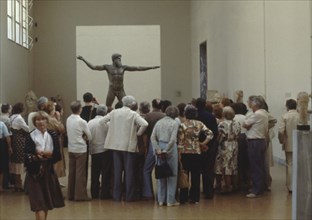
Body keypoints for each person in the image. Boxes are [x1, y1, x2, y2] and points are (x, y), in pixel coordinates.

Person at [99, 95, 148, 202]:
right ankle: (129, 196)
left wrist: (111, 129)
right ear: (131, 104)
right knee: (129, 172)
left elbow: (101, 121)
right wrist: (137, 134)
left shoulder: (114, 112)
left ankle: (116, 196)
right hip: (128, 146)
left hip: (115, 145)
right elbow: (145, 124)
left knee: (117, 172)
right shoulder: (133, 114)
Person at [77, 54, 160, 109]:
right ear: (114, 60)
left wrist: (151, 67)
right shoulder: (108, 67)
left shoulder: (123, 67)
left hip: (120, 90)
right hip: (112, 89)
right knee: (108, 107)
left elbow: (138, 68)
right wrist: (83, 59)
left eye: (120, 59)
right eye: (119, 59)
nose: (120, 60)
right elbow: (93, 67)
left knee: (127, 106)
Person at [24, 111, 64, 220]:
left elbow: (58, 156)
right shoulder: (30, 136)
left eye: (43, 119)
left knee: (45, 203)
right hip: (34, 173)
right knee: (38, 204)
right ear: (34, 122)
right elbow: (26, 157)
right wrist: (36, 157)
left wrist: (48, 154)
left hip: (48, 171)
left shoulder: (52, 135)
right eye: (38, 119)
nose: (40, 122)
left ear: (47, 121)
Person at [178, 105, 214, 204]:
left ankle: (183, 197)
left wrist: (179, 154)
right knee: (196, 175)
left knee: (185, 175)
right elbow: (210, 134)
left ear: (185, 114)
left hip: (185, 152)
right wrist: (203, 143)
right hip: (197, 152)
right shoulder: (199, 124)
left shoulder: (182, 125)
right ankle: (195, 198)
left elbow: (180, 141)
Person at [151, 106, 180, 207]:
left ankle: (160, 199)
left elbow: (152, 137)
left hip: (159, 146)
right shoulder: (174, 123)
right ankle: (170, 200)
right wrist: (166, 150)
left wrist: (158, 149)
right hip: (170, 148)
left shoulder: (159, 122)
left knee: (161, 173)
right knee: (172, 173)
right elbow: (173, 139)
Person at [243, 96, 268, 198]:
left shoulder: (257, 114)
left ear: (255, 104)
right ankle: (259, 187)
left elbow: (245, 124)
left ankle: (256, 190)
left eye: (251, 103)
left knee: (255, 166)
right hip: (261, 140)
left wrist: (248, 124)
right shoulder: (265, 113)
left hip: (254, 142)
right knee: (259, 165)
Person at [66, 100, 92, 201]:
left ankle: (71, 194)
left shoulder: (68, 119)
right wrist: (84, 137)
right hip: (80, 149)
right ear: (80, 109)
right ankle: (80, 195)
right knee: (80, 173)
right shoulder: (82, 121)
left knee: (72, 172)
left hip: (71, 148)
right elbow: (89, 136)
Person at [87, 105, 112, 199]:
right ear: (105, 113)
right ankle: (105, 194)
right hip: (105, 150)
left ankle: (94, 193)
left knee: (95, 172)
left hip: (94, 150)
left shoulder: (90, 122)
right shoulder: (107, 123)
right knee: (105, 172)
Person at [195, 98, 218, 199]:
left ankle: (194, 192)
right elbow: (215, 132)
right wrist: (208, 144)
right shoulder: (211, 116)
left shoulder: (193, 116)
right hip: (208, 145)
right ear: (205, 105)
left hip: (195, 146)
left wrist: (198, 144)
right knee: (208, 169)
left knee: (195, 169)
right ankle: (208, 191)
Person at [142, 98, 164, 200]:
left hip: (151, 143)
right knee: (163, 169)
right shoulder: (164, 116)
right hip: (163, 143)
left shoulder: (148, 116)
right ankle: (162, 193)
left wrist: (145, 147)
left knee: (146, 170)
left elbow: (145, 134)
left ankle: (148, 193)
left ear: (152, 105)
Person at [214, 106, 241, 193]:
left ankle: (227, 186)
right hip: (235, 144)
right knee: (233, 165)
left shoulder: (222, 124)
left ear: (224, 114)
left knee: (225, 166)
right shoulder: (237, 123)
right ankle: (235, 185)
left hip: (225, 145)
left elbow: (220, 136)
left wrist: (217, 143)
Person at [278, 99, 299, 193]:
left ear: (287, 106)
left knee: (289, 164)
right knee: (298, 164)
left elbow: (281, 131)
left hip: (289, 143)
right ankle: (299, 184)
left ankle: (290, 186)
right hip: (300, 143)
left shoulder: (285, 116)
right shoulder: (301, 115)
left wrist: (281, 140)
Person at [10, 102, 29, 191]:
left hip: (13, 139)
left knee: (15, 161)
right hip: (19, 140)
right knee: (20, 160)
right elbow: (27, 129)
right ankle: (19, 183)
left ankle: (17, 182)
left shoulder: (12, 117)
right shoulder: (19, 118)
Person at [0, 121, 12, 191]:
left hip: (1, 145)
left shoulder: (1, 123)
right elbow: (7, 136)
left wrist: (9, 147)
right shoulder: (1, 123)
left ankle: (0, 186)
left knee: (1, 166)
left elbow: (7, 136)